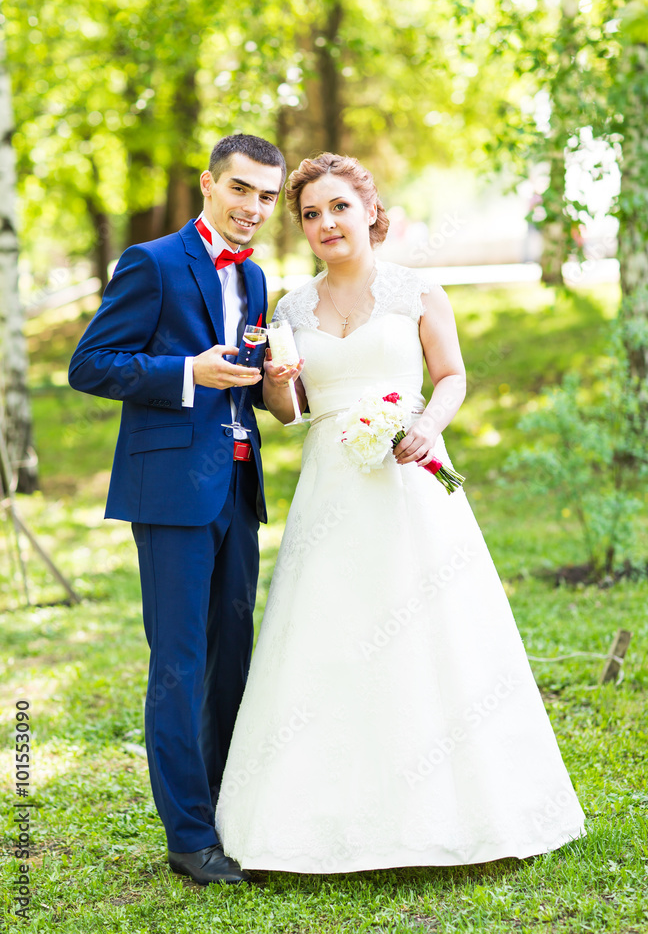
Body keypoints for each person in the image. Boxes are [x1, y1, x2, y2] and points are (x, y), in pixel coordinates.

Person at [216, 152, 586, 873]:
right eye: (312, 214)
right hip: (331, 488)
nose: (326, 223)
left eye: (338, 208)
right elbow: (288, 414)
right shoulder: (290, 306)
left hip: (411, 475)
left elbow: (450, 376)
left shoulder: (417, 291)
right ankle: (309, 821)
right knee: (327, 634)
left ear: (369, 210)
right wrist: (279, 382)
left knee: (430, 630)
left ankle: (458, 811)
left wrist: (426, 425)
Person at [68, 134, 302, 886]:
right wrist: (185, 373)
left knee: (232, 656)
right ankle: (189, 838)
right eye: (241, 190)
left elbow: (247, 381)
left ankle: (228, 814)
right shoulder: (152, 262)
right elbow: (90, 365)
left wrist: (270, 379)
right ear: (208, 184)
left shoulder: (258, 276)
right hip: (170, 493)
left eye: (266, 197)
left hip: (237, 487)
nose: (253, 208)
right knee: (179, 664)